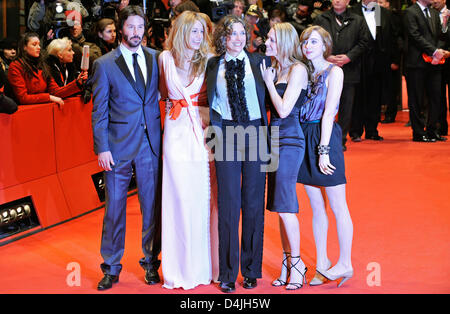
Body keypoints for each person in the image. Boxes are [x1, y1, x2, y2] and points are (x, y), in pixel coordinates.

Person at [90, 5, 162, 291]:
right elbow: (99, 111)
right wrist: (102, 148)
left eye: (140, 27)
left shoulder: (157, 58)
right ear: (121, 29)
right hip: (117, 147)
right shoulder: (105, 64)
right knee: (115, 209)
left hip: (151, 146)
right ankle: (110, 266)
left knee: (152, 209)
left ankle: (152, 263)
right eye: (131, 27)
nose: (136, 33)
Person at [206, 15, 269, 293]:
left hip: (258, 133)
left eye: (242, 33)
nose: (238, 38)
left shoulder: (260, 62)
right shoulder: (212, 64)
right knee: (228, 203)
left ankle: (252, 270)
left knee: (254, 203)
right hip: (225, 133)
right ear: (223, 37)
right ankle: (228, 274)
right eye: (232, 34)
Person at [158, 10, 219, 290]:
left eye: (201, 32)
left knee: (199, 198)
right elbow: (161, 94)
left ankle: (200, 267)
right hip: (174, 135)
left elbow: (215, 100)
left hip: (200, 134)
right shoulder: (164, 59)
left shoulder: (208, 61)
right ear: (181, 31)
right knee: (176, 199)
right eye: (193, 31)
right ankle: (176, 268)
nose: (198, 37)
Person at [297, 26, 354, 288]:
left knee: (338, 204)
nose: (308, 45)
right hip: (304, 136)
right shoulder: (302, 71)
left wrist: (323, 150)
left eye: (314, 41)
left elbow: (330, 111)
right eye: (305, 41)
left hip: (325, 136)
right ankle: (321, 264)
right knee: (316, 207)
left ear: (325, 45)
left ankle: (345, 263)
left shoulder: (336, 72)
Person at [260, 22, 308, 290]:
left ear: (284, 42)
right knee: (278, 206)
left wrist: (268, 83)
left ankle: (298, 263)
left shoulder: (297, 69)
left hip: (290, 140)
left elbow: (284, 110)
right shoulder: (275, 68)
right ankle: (288, 262)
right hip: (273, 140)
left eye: (271, 40)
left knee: (286, 203)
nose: (266, 43)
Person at [313, 0, 370, 151]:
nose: (337, 0)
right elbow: (314, 40)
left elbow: (364, 42)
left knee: (346, 106)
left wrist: (349, 57)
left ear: (348, 1)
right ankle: (322, 138)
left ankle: (341, 139)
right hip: (325, 68)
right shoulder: (321, 18)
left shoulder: (357, 19)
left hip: (349, 68)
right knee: (323, 104)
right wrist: (327, 55)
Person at [348, 0, 400, 142]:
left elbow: (392, 37)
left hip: (379, 62)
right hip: (358, 61)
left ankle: (372, 129)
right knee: (357, 97)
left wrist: (394, 59)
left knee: (375, 97)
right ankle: (355, 131)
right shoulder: (352, 12)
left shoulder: (385, 13)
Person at [403, 0, 449, 142]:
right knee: (416, 98)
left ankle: (432, 130)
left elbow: (440, 36)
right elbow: (415, 36)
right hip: (416, 62)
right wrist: (434, 51)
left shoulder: (434, 13)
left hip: (434, 62)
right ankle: (417, 132)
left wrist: (439, 52)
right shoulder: (410, 12)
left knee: (436, 97)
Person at [7, 32, 86, 107]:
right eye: (34, 45)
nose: (38, 47)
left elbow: (55, 91)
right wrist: (49, 97)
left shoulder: (42, 65)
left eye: (39, 44)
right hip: (21, 115)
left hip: (42, 111)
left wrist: (77, 83)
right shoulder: (15, 66)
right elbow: (23, 98)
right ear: (24, 47)